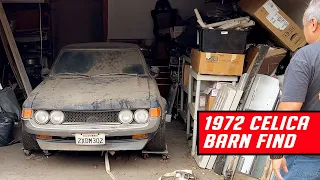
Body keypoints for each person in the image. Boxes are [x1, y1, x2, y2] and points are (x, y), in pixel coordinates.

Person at [271, 0, 320, 179]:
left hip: (306, 157)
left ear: (313, 24)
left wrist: (277, 152)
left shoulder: (306, 57)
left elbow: (290, 108)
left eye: (304, 25)